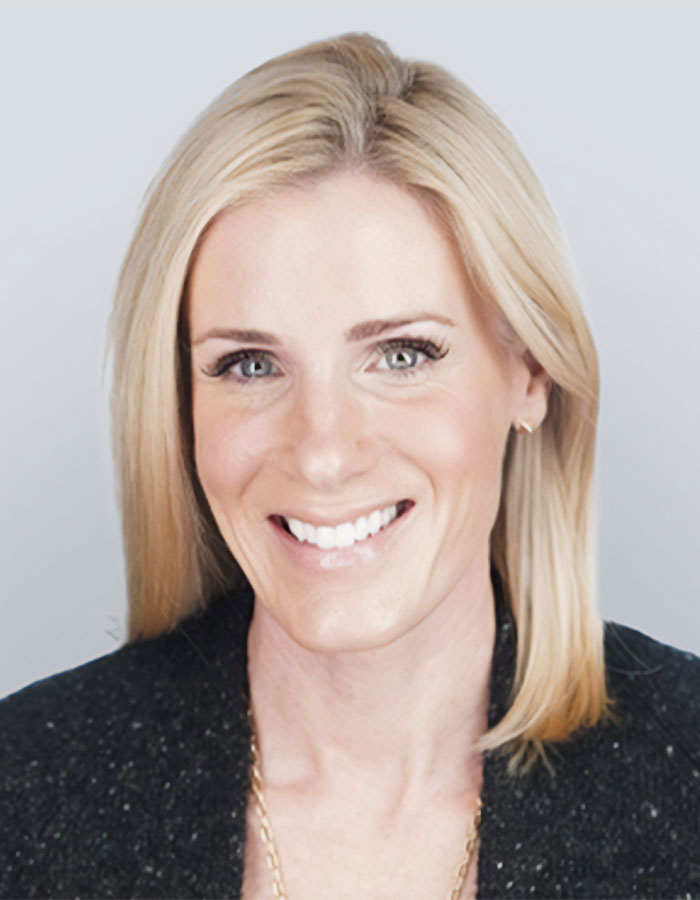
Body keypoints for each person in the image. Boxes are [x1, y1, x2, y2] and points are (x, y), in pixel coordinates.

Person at [1, 31, 698, 900]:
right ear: (178, 406)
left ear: (529, 372)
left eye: (402, 355)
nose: (324, 452)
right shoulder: (24, 793)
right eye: (249, 365)